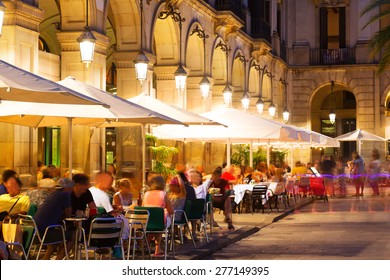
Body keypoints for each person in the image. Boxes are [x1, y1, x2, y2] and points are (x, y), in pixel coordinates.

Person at [33, 178, 73, 260]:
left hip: (36, 233)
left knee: (55, 240)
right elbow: (68, 213)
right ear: (67, 188)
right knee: (72, 237)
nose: (72, 190)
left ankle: (45, 259)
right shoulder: (65, 195)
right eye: (71, 188)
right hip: (46, 233)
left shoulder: (53, 194)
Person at [142, 176, 173, 256]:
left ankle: (147, 243)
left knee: (156, 218)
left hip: (146, 222)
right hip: (159, 222)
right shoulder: (163, 194)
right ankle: (157, 248)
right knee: (161, 218)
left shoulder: (146, 194)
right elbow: (171, 211)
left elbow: (143, 207)